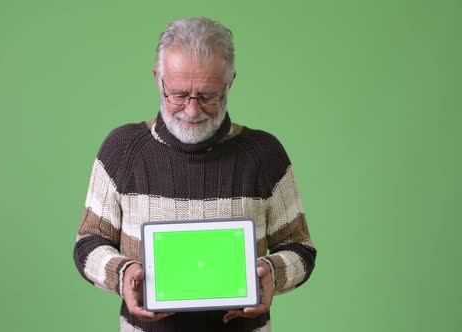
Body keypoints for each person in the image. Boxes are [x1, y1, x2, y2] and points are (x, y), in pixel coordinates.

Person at [73, 16, 316, 332]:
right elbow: (88, 243)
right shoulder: (122, 150)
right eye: (178, 94)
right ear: (157, 79)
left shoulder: (264, 154)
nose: (191, 110)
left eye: (207, 96)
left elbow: (301, 249)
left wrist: (272, 273)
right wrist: (123, 274)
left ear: (229, 83)